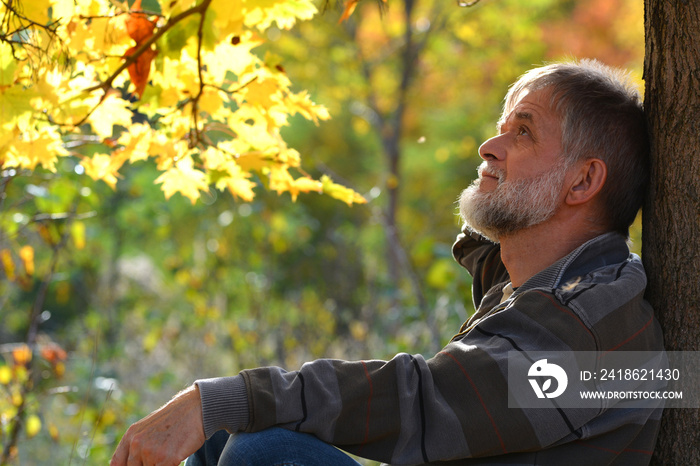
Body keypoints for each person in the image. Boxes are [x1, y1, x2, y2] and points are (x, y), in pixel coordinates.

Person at [110, 59, 664, 466]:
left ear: (584, 181)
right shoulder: (538, 288)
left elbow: (428, 400)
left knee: (265, 450)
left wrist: (222, 397)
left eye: (523, 132)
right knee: (224, 434)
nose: (489, 147)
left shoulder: (596, 328)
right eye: (501, 126)